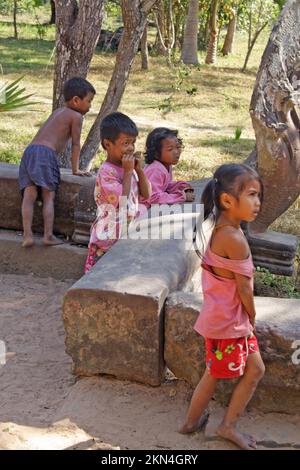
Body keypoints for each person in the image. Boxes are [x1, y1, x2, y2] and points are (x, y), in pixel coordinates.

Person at [179, 163, 265, 450]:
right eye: (252, 194)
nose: (258, 202)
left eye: (258, 195)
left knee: (254, 370)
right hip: (232, 323)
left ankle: (215, 423)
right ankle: (204, 425)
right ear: (228, 200)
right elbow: (244, 288)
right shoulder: (234, 239)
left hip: (222, 318)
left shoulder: (216, 227)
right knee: (215, 374)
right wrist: (252, 316)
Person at [19, 76, 95, 247]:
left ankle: (27, 236)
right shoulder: (76, 116)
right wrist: (76, 170)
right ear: (76, 100)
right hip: (45, 154)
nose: (90, 106)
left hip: (29, 152)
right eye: (89, 101)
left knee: (29, 196)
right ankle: (48, 236)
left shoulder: (58, 112)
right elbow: (76, 144)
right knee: (48, 196)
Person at [84, 112, 151, 273]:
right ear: (108, 144)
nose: (131, 148)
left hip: (127, 229)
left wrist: (139, 171)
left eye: (133, 143)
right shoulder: (107, 172)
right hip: (109, 234)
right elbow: (121, 201)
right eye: (125, 143)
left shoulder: (128, 167)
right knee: (102, 271)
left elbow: (147, 194)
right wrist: (128, 173)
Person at [140, 127, 195, 208]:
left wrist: (181, 186)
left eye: (178, 147)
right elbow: (153, 198)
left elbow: (165, 186)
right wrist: (181, 196)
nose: (176, 152)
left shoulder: (166, 165)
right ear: (156, 153)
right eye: (170, 149)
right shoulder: (155, 170)